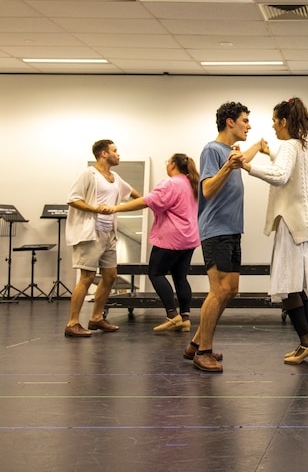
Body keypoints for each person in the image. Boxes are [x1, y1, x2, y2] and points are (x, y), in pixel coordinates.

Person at [243, 98, 308, 366]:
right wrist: (269, 154)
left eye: (275, 122)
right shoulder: (305, 147)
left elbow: (280, 176)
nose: (273, 127)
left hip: (294, 224)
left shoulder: (288, 145)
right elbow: (290, 170)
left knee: (287, 287)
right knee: (296, 286)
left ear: (284, 121)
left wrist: (247, 166)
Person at [188, 101, 267, 373]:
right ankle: (203, 352)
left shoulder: (230, 151)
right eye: (245, 120)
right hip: (216, 230)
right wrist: (227, 167)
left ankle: (196, 343)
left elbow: (243, 158)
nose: (249, 125)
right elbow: (207, 189)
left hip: (232, 230)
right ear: (230, 122)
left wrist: (258, 146)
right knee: (218, 290)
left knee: (230, 290)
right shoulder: (212, 150)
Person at [103, 153, 201, 332]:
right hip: (189, 237)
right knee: (180, 277)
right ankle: (185, 318)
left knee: (156, 273)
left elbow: (146, 202)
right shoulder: (192, 184)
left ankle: (172, 316)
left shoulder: (170, 183)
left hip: (171, 237)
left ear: (172, 165)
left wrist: (115, 208)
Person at [64, 139, 141, 337]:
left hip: (109, 234)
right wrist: (95, 209)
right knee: (87, 277)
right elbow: (73, 199)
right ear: (104, 154)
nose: (118, 154)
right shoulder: (88, 174)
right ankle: (72, 323)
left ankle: (96, 318)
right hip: (91, 233)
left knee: (110, 275)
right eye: (115, 150)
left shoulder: (115, 177)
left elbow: (132, 193)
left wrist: (148, 201)